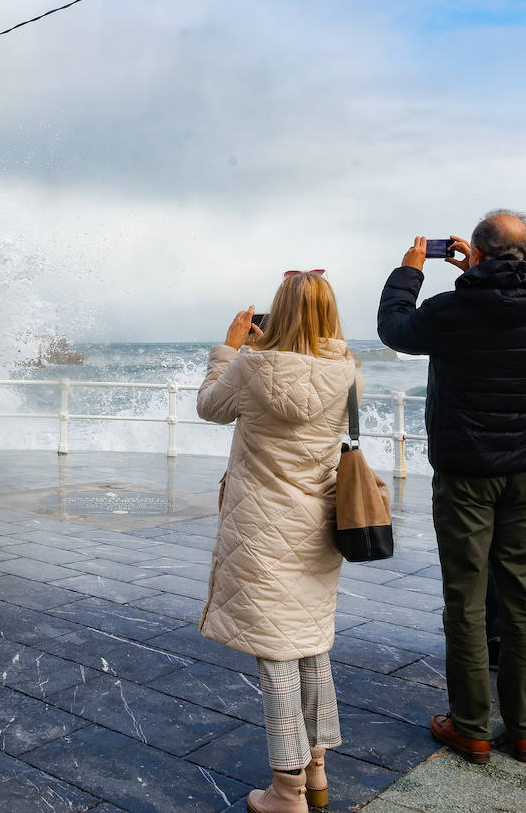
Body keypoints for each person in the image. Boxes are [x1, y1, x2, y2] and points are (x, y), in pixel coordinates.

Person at [376, 210, 526, 765]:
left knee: (465, 596)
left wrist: (411, 269)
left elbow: (395, 330)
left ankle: (472, 729)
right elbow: (510, 300)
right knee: (522, 593)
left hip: (467, 470)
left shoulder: (450, 310)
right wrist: (482, 266)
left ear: (477, 252)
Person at [197, 270, 358, 812]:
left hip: (262, 529)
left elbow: (209, 407)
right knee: (311, 645)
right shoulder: (347, 371)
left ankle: (285, 792)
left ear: (277, 313)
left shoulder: (250, 365)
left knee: (276, 657)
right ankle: (316, 773)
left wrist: (228, 347)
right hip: (318, 527)